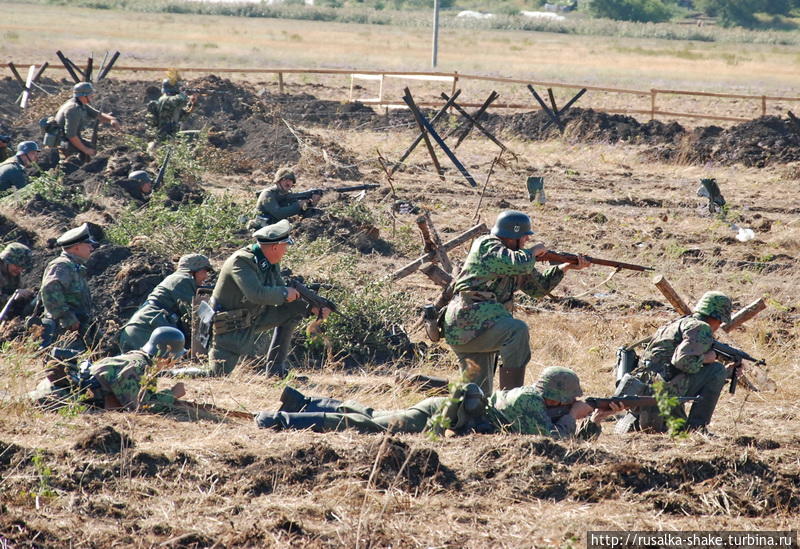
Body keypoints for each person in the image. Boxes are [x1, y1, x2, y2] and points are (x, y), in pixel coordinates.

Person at [443, 210, 591, 395]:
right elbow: (517, 263)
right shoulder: (488, 245)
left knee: (477, 397)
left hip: (481, 327)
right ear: (512, 236)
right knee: (517, 330)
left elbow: (538, 288)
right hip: (467, 325)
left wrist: (566, 266)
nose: (527, 239)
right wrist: (533, 251)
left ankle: (473, 412)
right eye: (524, 236)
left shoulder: (516, 257)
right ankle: (512, 399)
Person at [255, 366, 621, 438]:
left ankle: (304, 401)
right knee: (370, 425)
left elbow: (557, 431)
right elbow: (551, 442)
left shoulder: (538, 400)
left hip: (446, 412)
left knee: (372, 413)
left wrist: (595, 420)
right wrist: (576, 415)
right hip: (441, 418)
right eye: (568, 398)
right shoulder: (528, 401)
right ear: (556, 395)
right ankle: (283, 420)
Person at [207, 220, 330, 376]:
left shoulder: (269, 261)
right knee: (216, 374)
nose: (286, 251)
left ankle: (276, 370)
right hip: (230, 325)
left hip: (253, 317)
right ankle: (176, 374)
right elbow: (256, 294)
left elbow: (279, 289)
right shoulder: (241, 261)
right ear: (275, 247)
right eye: (285, 246)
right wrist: (285, 293)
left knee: (295, 309)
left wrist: (311, 306)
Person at [617, 291, 733, 434]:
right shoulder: (701, 327)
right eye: (720, 321)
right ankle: (697, 428)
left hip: (642, 387)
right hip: (662, 388)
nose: (719, 326)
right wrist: (706, 359)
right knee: (717, 370)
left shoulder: (677, 323)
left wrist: (728, 370)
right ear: (715, 316)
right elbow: (682, 362)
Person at [29, 327, 187, 413]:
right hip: (58, 398)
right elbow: (140, 407)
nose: (177, 362)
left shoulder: (137, 359)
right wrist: (172, 394)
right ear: (167, 356)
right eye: (177, 358)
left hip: (58, 393)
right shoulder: (137, 368)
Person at [119, 254, 213, 352]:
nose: (206, 276)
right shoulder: (183, 280)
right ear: (194, 270)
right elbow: (196, 315)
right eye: (205, 271)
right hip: (145, 330)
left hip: (137, 329)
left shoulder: (176, 278)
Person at [39, 223, 97, 348]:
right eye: (88, 244)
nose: (91, 248)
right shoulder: (61, 265)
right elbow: (49, 290)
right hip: (63, 330)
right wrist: (67, 316)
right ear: (76, 247)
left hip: (74, 328)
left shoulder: (74, 266)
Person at [50, 82, 120, 159]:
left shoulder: (79, 103)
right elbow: (71, 135)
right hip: (63, 142)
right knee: (81, 156)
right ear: (83, 96)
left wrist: (112, 120)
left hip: (69, 139)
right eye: (90, 95)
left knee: (90, 147)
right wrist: (86, 150)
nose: (92, 97)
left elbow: (97, 115)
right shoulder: (73, 109)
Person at [250, 168, 321, 228]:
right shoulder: (268, 194)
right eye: (284, 179)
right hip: (260, 229)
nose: (288, 182)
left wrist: (311, 202)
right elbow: (279, 213)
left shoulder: (286, 195)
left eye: (290, 180)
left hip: (275, 228)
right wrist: (298, 205)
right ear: (278, 181)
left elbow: (297, 205)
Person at [0, 242, 34, 311]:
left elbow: (21, 288)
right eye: (17, 266)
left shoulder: (13, 272)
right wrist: (12, 297)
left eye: (22, 267)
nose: (20, 270)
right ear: (6, 261)